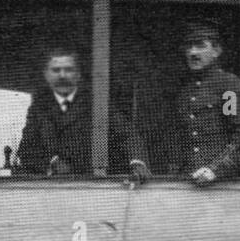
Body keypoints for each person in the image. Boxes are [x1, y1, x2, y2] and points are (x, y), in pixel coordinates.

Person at [153, 20, 240, 185]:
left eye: (200, 46)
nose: (193, 52)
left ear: (216, 51)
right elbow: (175, 138)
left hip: (218, 182)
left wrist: (216, 169)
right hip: (187, 179)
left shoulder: (227, 86)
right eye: (188, 47)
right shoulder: (184, 92)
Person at [17, 49, 149, 178]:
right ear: (47, 75)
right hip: (55, 188)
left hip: (92, 185)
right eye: (56, 70)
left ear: (78, 75)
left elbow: (128, 134)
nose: (62, 75)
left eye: (68, 70)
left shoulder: (96, 103)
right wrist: (51, 165)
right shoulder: (39, 108)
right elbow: (26, 149)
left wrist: (138, 163)